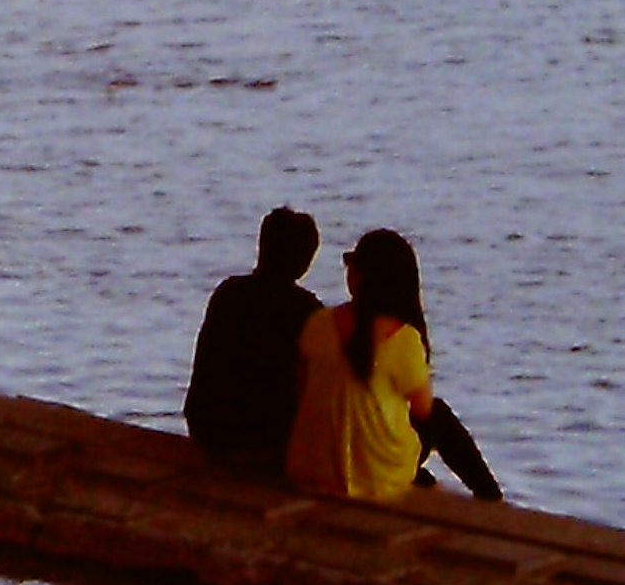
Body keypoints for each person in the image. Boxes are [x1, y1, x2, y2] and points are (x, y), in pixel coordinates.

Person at [287, 227, 503, 505]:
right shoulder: (402, 339)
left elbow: (301, 389)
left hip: (308, 468)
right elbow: (424, 410)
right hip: (374, 480)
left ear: (359, 277)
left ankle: (420, 475)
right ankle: (491, 497)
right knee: (438, 413)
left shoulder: (318, 324)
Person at [185, 207, 321, 475]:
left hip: (211, 435)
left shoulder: (227, 294)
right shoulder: (308, 312)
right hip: (269, 444)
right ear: (305, 262)